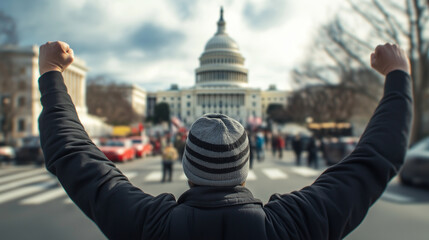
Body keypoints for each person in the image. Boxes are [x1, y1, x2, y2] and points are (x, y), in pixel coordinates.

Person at [38, 41, 412, 240]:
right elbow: (375, 160)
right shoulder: (292, 227)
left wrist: (51, 74)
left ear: (188, 167)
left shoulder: (150, 227)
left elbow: (74, 157)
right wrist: (398, 74)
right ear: (245, 166)